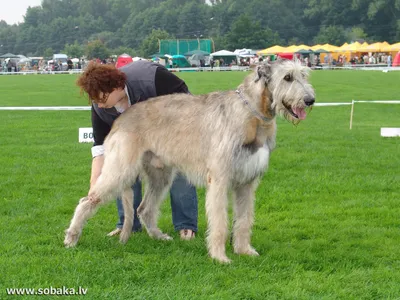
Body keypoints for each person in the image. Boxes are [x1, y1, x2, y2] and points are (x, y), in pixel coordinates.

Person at [76, 60, 198, 240]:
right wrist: (94, 185)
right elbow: (100, 148)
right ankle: (128, 225)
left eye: (101, 99)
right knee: (122, 171)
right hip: (133, 139)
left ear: (116, 87)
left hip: (172, 131)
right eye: (95, 101)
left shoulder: (153, 78)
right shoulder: (100, 108)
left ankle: (186, 225)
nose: (99, 105)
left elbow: (190, 107)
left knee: (178, 173)